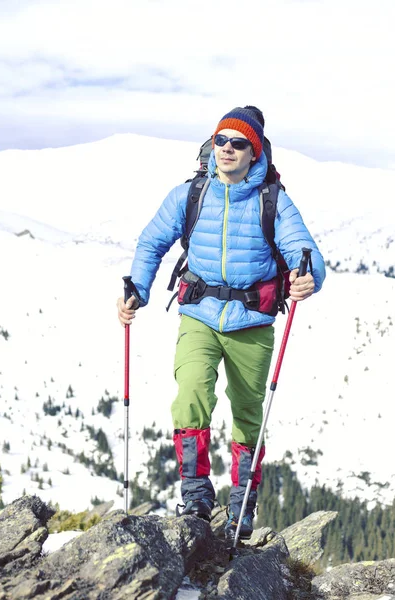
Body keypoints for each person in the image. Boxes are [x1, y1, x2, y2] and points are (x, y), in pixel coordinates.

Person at [116, 107, 326, 544]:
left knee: (249, 413)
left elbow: (302, 248)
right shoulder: (191, 194)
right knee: (190, 394)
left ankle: (242, 506)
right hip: (199, 315)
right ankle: (195, 496)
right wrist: (137, 287)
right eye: (220, 141)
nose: (227, 149)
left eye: (238, 143)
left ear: (255, 152)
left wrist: (310, 277)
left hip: (252, 321)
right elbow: (152, 241)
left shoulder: (273, 199)